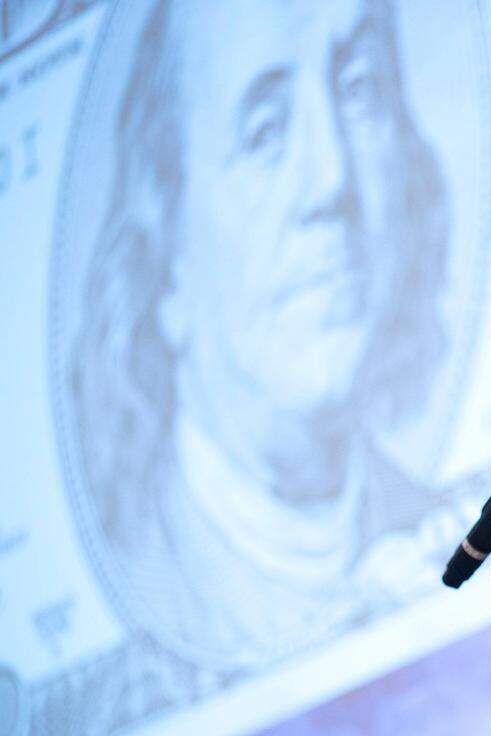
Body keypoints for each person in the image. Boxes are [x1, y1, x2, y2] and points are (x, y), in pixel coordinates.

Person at [69, 0, 450, 666]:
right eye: (266, 130)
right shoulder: (142, 564)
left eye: (358, 90)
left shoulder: (452, 521)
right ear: (168, 253)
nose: (331, 177)